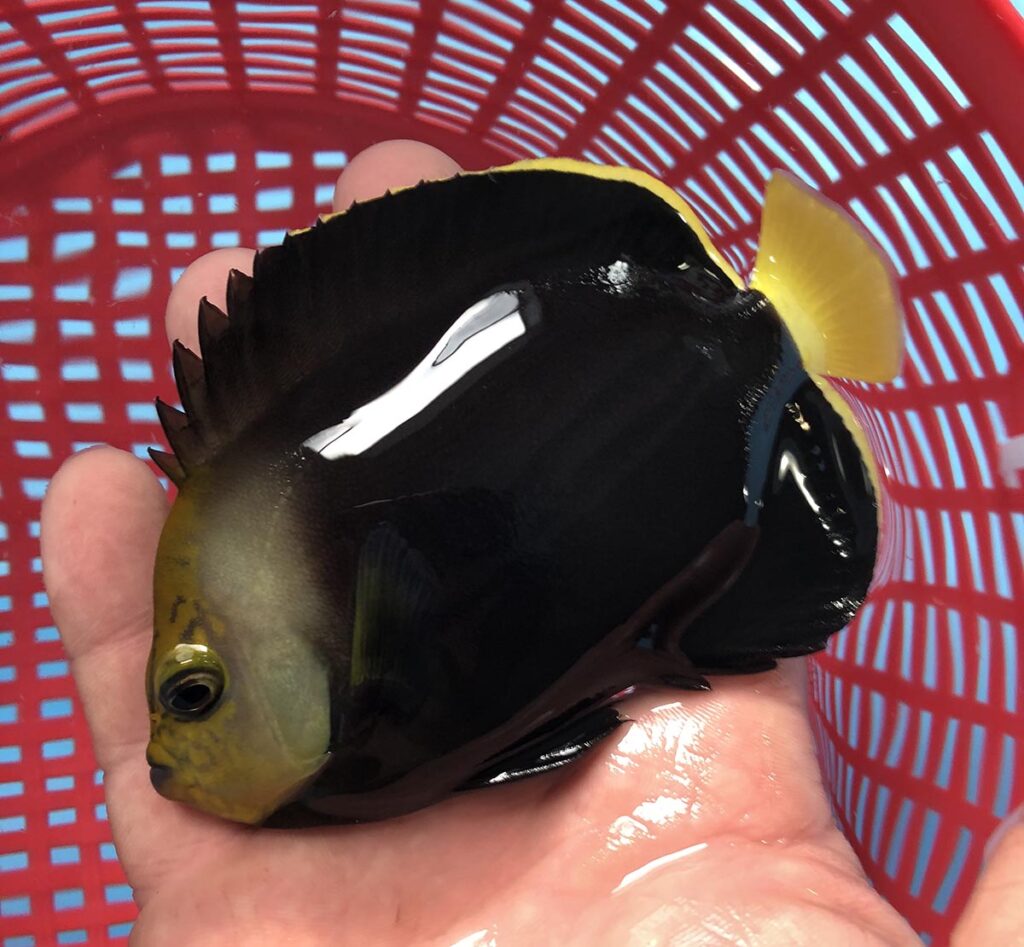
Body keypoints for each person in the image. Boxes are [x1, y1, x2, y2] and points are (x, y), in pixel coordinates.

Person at [40, 139, 1020, 946]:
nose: (172, 761)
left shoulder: (330, 713)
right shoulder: (332, 746)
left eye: (193, 695)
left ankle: (766, 337)